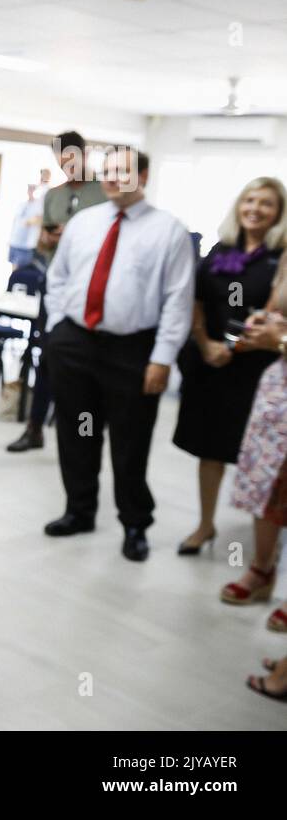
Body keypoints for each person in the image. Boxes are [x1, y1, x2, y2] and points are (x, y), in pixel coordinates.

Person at [42, 148, 195, 561]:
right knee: (77, 433)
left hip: (132, 351)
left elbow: (179, 301)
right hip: (75, 343)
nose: (110, 177)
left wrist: (162, 359)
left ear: (142, 176)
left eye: (121, 171)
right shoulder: (84, 223)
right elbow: (58, 279)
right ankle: (79, 511)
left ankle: (134, 523)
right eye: (106, 170)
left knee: (130, 442)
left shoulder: (169, 231)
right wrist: (57, 327)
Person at [173, 177, 286, 555]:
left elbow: (269, 315)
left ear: (279, 213)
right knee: (210, 448)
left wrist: (231, 348)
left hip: (258, 369)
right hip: (211, 364)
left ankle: (262, 551)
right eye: (249, 200)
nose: (255, 208)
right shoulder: (221, 250)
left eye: (266, 203)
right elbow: (198, 299)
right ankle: (205, 525)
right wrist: (205, 344)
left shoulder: (281, 257)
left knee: (257, 459)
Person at [217, 275, 287, 633]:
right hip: (280, 386)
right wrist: (265, 322)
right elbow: (278, 308)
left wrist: (282, 339)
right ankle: (261, 569)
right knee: (266, 483)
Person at [6, 222, 64, 452]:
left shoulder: (96, 203)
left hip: (82, 310)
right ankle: (34, 429)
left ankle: (82, 435)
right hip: (52, 301)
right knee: (45, 369)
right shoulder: (55, 199)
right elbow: (43, 244)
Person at [42, 130, 105, 233]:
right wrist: (47, 240)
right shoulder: (51, 194)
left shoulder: (107, 193)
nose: (67, 171)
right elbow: (42, 242)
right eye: (63, 166)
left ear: (85, 155)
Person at [9, 173, 46, 269]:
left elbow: (38, 220)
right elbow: (16, 222)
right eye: (29, 188)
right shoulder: (22, 204)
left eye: (33, 188)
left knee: (22, 271)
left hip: (27, 246)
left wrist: (29, 222)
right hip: (15, 242)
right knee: (14, 271)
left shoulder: (38, 205)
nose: (31, 191)